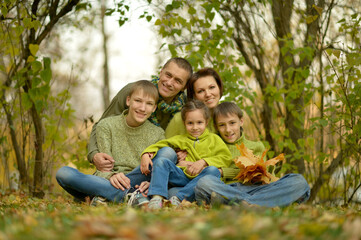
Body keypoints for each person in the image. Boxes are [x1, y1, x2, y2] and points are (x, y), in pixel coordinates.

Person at [56, 80, 167, 204]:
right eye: (138, 101)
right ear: (128, 101)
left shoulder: (158, 133)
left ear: (154, 108)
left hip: (139, 181)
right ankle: (128, 196)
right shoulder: (106, 125)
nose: (142, 108)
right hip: (111, 180)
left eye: (149, 104)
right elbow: (104, 169)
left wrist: (151, 182)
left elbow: (156, 168)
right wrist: (111, 176)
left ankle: (106, 196)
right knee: (64, 173)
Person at [194, 102, 310, 208]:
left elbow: (265, 177)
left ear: (241, 121)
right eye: (222, 125)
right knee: (204, 182)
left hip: (259, 189)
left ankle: (240, 204)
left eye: (232, 123)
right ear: (216, 127)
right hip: (228, 189)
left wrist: (223, 172)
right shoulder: (212, 146)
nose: (228, 130)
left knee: (299, 181)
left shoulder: (257, 146)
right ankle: (256, 204)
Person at [88, 57, 193, 172]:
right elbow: (102, 125)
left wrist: (183, 151)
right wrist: (94, 155)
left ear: (185, 87)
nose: (169, 83)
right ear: (161, 71)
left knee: (167, 153)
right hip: (120, 164)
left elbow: (192, 138)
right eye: (168, 75)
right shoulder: (134, 91)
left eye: (178, 81)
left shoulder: (186, 109)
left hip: (154, 165)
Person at [140, 100, 232, 209]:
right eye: (190, 123)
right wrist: (146, 154)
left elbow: (226, 158)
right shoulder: (181, 139)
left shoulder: (214, 139)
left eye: (199, 122)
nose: (195, 127)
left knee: (214, 171)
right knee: (162, 161)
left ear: (206, 122)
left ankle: (179, 198)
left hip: (201, 178)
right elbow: (161, 144)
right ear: (184, 123)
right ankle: (157, 197)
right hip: (182, 176)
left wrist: (203, 162)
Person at [165, 67, 223, 138]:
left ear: (219, 88)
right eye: (200, 91)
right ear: (194, 96)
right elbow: (165, 146)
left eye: (212, 87)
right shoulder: (179, 119)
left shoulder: (232, 115)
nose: (208, 94)